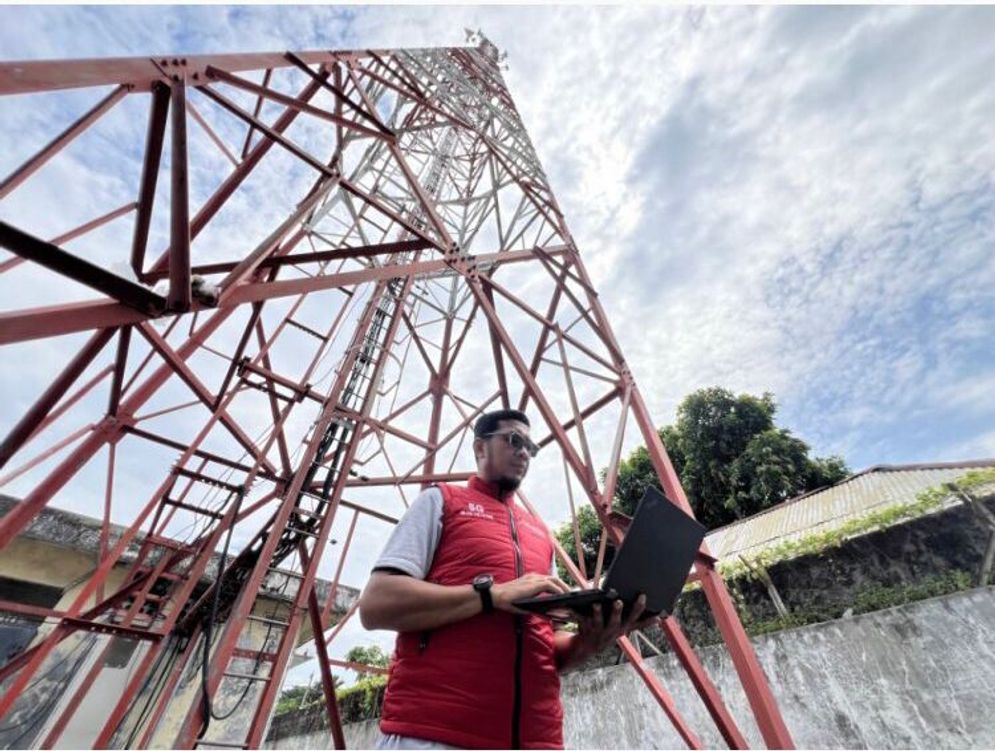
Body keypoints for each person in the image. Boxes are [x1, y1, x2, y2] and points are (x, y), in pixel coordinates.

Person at [358, 408, 650, 750]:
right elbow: (376, 605)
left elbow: (547, 645)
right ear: (480, 448)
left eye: (531, 446)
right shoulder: (440, 501)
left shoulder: (540, 533)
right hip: (434, 733)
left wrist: (589, 642)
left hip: (536, 740)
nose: (524, 451)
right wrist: (490, 596)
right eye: (514, 440)